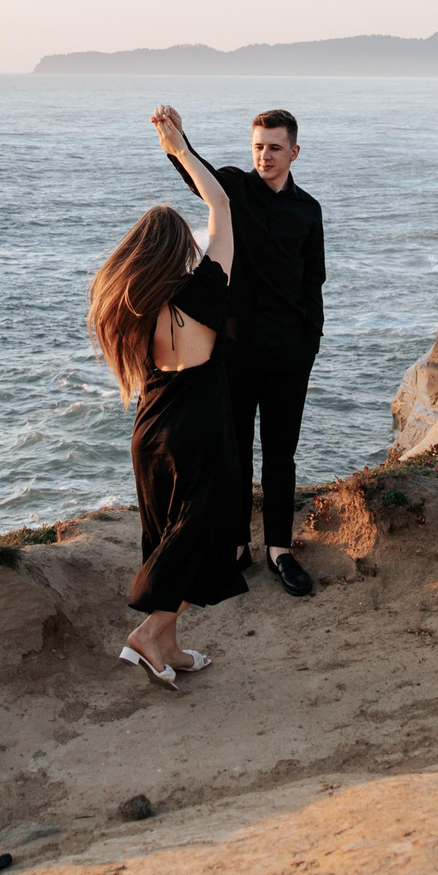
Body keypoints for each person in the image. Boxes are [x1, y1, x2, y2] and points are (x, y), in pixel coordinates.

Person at [87, 107, 247, 689]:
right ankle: (150, 633)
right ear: (181, 247)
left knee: (164, 533)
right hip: (201, 430)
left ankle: (171, 645)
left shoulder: (130, 308)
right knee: (201, 533)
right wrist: (179, 149)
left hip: (150, 431)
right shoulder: (205, 290)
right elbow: (222, 206)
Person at [159, 105, 324, 597]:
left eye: (274, 147)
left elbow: (313, 281)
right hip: (234, 353)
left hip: (289, 355)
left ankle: (279, 550)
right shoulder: (234, 190)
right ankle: (235, 546)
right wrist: (178, 142)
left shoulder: (308, 210)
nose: (265, 156)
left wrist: (309, 344)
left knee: (281, 455)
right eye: (258, 146)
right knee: (232, 454)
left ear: (294, 151)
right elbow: (199, 179)